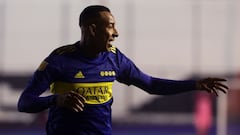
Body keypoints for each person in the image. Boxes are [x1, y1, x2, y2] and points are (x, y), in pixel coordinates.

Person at [17, 5, 228, 135]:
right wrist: (56, 100)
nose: (116, 32)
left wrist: (194, 84)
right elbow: (24, 102)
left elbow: (151, 84)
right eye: (110, 26)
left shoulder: (115, 58)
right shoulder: (59, 60)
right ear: (92, 29)